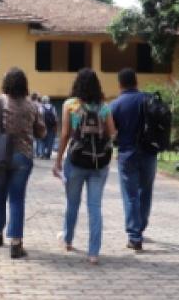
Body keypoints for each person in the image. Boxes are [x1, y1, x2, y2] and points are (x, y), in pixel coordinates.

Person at [0, 68, 46, 259]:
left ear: (5, 83)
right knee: (17, 198)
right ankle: (16, 243)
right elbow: (42, 132)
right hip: (22, 157)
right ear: (25, 85)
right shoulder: (32, 106)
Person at [53, 68, 115, 265]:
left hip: (76, 160)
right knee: (95, 207)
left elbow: (64, 135)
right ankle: (94, 252)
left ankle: (68, 240)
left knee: (72, 204)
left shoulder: (70, 105)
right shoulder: (104, 108)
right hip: (99, 163)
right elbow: (112, 133)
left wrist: (58, 160)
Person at [111, 68, 157, 252]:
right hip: (149, 153)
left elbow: (111, 132)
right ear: (136, 82)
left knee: (130, 195)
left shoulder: (116, 104)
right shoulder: (149, 99)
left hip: (127, 154)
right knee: (145, 192)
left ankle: (135, 236)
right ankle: (140, 227)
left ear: (120, 84)